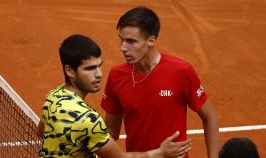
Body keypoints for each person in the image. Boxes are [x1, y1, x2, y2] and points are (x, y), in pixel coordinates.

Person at [36, 34, 192, 158]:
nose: (99, 74)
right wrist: (161, 153)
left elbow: (41, 133)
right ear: (70, 71)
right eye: (90, 69)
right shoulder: (87, 119)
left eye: (99, 66)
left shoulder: (53, 96)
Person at [101, 6, 219, 158]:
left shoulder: (181, 71)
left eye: (131, 41)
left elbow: (209, 116)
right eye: (122, 40)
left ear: (151, 41)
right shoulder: (116, 76)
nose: (123, 47)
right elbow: (111, 132)